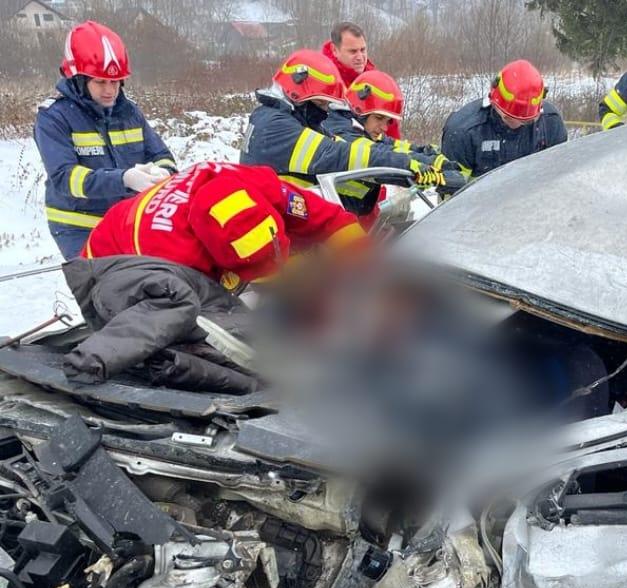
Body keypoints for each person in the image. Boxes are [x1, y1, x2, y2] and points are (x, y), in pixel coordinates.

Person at [66, 161, 363, 389]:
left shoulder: (260, 184)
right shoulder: (179, 260)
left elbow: (332, 219)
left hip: (166, 246)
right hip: (109, 269)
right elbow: (221, 333)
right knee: (221, 346)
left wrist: (368, 274)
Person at [240, 49, 458, 213]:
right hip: (280, 225)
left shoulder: (283, 118)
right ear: (296, 93)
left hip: (291, 217)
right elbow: (339, 154)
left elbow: (371, 146)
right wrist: (408, 166)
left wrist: (428, 159)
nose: (325, 111)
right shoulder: (276, 127)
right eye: (320, 103)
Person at [34, 20, 177, 260]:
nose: (110, 90)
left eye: (115, 81)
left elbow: (161, 156)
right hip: (79, 226)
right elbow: (65, 178)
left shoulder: (130, 112)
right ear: (78, 80)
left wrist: (163, 173)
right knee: (108, 282)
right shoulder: (54, 117)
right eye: (100, 82)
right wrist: (123, 179)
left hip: (129, 220)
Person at [323, 70, 461, 227]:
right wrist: (418, 167)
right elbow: (378, 154)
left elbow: (392, 146)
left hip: (349, 216)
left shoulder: (359, 127)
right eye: (379, 118)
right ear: (359, 110)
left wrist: (431, 157)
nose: (384, 128)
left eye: (388, 121)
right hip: (326, 225)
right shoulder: (339, 129)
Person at [440, 59, 566, 179]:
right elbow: (453, 188)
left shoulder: (550, 123)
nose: (516, 124)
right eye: (508, 118)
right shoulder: (463, 132)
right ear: (493, 103)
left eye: (526, 121)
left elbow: (560, 177)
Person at [320, 21, 402, 140]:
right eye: (353, 51)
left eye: (363, 50)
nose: (360, 57)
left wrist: (395, 150)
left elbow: (390, 127)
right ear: (334, 50)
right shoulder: (321, 82)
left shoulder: (375, 79)